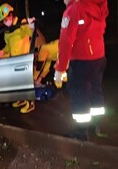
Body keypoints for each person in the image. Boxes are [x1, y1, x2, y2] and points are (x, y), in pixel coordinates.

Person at [54, 0, 108, 140]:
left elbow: (66, 42)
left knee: (80, 95)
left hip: (81, 61)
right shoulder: (96, 5)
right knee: (96, 91)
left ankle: (81, 134)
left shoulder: (73, 10)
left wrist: (60, 68)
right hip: (99, 57)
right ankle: (95, 125)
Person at [0, 3, 37, 113]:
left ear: (11, 15)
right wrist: (2, 52)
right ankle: (21, 100)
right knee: (17, 82)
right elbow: (8, 46)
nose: (5, 22)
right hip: (14, 60)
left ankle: (30, 103)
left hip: (24, 58)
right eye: (3, 21)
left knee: (26, 82)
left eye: (6, 19)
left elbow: (30, 32)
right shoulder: (7, 31)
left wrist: (31, 26)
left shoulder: (21, 24)